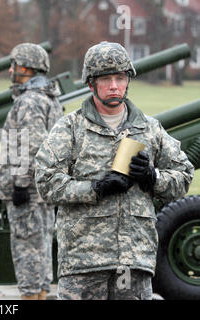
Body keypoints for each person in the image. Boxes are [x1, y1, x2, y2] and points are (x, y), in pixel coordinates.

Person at [34, 41, 194, 300]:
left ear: (128, 80)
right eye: (106, 79)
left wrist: (153, 178)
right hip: (83, 262)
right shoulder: (70, 129)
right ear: (91, 84)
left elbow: (184, 175)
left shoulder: (150, 129)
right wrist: (95, 188)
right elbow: (45, 181)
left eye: (120, 78)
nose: (114, 86)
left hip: (132, 262)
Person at [0, 43, 63, 300]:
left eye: (14, 65)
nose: (11, 70)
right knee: (43, 243)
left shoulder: (29, 101)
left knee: (27, 247)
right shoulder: (50, 98)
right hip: (44, 187)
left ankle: (31, 295)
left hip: (29, 190)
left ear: (24, 67)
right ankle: (41, 294)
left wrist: (21, 183)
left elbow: (32, 145)